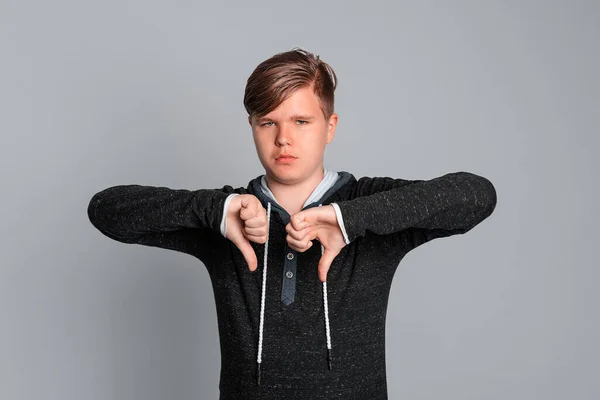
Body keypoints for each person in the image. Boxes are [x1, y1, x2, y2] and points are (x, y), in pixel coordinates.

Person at [87, 47, 497, 400]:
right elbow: (106, 210)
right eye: (268, 122)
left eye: (301, 121)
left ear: (330, 127)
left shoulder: (370, 204)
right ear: (252, 127)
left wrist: (348, 220)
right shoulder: (229, 215)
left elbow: (476, 196)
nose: (284, 138)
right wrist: (216, 211)